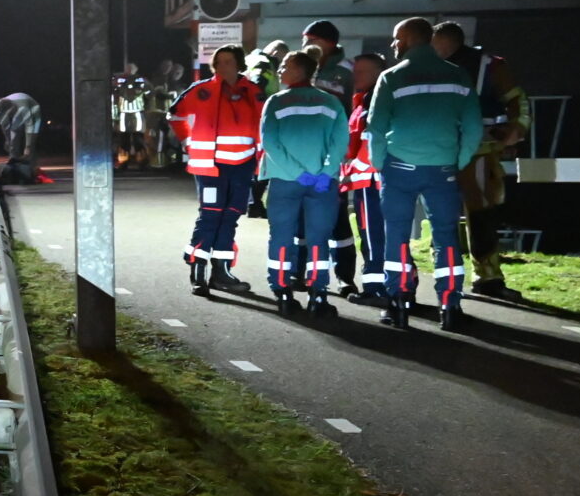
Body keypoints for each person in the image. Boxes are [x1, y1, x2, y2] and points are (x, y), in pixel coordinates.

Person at [366, 17, 483, 331]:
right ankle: (450, 305)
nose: (393, 44)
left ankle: (398, 303)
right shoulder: (458, 75)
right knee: (446, 236)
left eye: (396, 38)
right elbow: (473, 127)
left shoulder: (391, 77)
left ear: (406, 39)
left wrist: (379, 164)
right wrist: (457, 161)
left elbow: (376, 128)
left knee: (397, 236)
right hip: (443, 168)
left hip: (399, 168)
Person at [432, 21, 532, 300]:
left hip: (478, 151)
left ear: (445, 41)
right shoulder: (428, 67)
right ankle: (446, 276)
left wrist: (516, 129)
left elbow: (518, 101)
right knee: (442, 217)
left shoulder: (489, 65)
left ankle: (487, 277)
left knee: (481, 216)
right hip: (438, 152)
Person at [260, 47, 348, 319]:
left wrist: (297, 173)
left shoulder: (276, 102)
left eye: (285, 65)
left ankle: (283, 292)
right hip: (322, 183)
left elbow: (269, 142)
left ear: (300, 70)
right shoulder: (331, 102)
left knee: (281, 236)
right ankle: (318, 295)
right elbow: (340, 142)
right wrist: (325, 172)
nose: (280, 70)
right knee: (319, 239)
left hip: (285, 181)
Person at [171, 44, 263, 296]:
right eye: (218, 62)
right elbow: (175, 115)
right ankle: (198, 272)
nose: (222, 67)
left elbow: (264, 126)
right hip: (210, 167)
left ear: (239, 64)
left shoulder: (253, 91)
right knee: (210, 217)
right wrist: (188, 143)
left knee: (230, 217)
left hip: (242, 167)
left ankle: (221, 272)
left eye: (228, 62)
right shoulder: (200, 90)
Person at [337, 50, 406, 302]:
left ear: (379, 73)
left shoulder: (372, 102)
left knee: (372, 235)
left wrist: (349, 171)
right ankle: (402, 288)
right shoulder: (366, 100)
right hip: (380, 178)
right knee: (391, 234)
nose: (355, 76)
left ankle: (376, 288)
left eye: (362, 72)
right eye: (355, 72)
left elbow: (366, 143)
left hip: (370, 180)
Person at [302, 20, 355, 103]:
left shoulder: (348, 70)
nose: (305, 45)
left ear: (330, 43)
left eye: (311, 40)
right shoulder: (300, 67)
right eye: (304, 40)